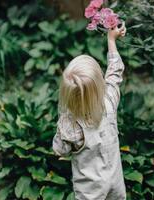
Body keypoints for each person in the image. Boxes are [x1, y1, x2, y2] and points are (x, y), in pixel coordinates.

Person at [52, 22, 127, 200]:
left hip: (90, 193)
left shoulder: (70, 125)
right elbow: (115, 74)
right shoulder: (109, 102)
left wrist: (65, 115)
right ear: (99, 84)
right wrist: (111, 40)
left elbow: (59, 150)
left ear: (67, 95)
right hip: (115, 185)